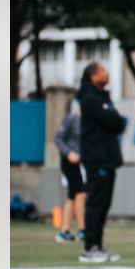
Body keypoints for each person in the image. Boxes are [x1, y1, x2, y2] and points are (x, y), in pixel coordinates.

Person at [77, 62, 126, 263]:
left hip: (106, 159)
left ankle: (98, 245)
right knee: (96, 204)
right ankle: (90, 247)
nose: (107, 73)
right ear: (92, 76)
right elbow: (116, 122)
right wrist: (116, 119)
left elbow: (118, 123)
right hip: (97, 159)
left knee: (103, 205)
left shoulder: (101, 98)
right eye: (102, 70)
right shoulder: (91, 99)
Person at [53, 99, 85, 243]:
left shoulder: (87, 122)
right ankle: (82, 229)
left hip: (80, 163)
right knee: (81, 193)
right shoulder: (72, 118)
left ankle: (64, 230)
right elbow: (58, 139)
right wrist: (69, 153)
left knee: (72, 196)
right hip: (69, 162)